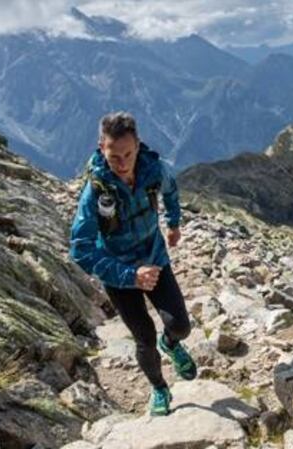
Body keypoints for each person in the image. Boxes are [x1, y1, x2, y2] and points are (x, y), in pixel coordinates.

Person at [69, 111, 196, 416]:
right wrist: (130, 275)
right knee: (144, 338)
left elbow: (171, 190)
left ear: (138, 145)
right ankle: (160, 388)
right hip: (119, 274)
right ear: (102, 149)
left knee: (180, 326)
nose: (123, 163)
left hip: (155, 258)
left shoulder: (154, 169)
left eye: (128, 154)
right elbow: (80, 249)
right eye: (114, 157)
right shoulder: (95, 190)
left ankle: (171, 344)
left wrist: (174, 223)